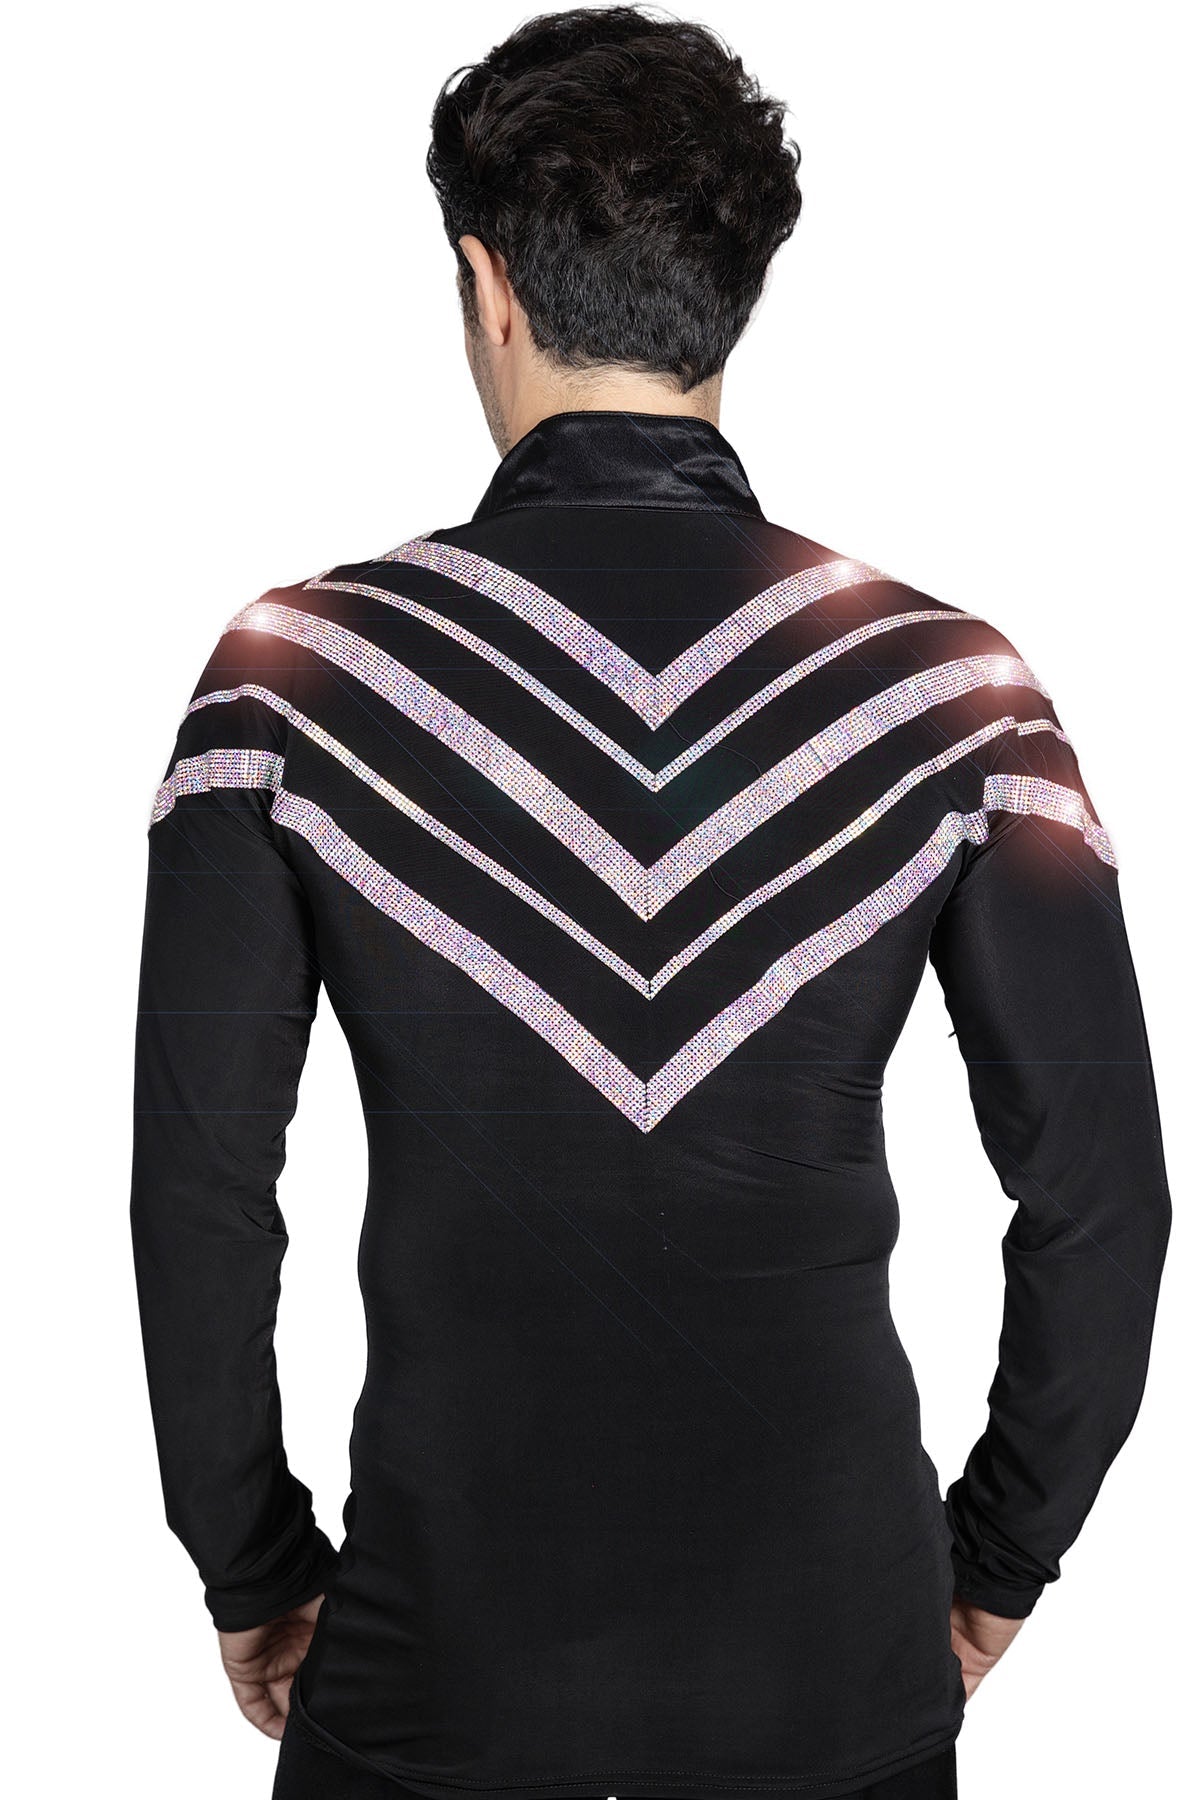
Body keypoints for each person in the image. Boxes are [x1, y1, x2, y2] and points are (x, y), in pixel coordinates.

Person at [129, 9, 1173, 1799]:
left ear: (485, 283)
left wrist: (252, 1566)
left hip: (434, 1672)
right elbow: (1105, 1198)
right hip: (836, 1672)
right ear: (736, 295)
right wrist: (999, 1560)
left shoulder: (294, 684)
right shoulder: (957, 696)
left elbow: (200, 1198)